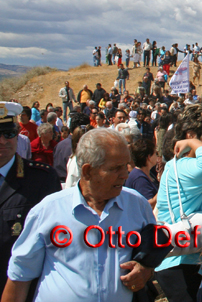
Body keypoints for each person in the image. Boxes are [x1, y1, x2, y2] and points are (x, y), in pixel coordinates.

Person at [4, 128, 154, 302]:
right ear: (88, 171)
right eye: (115, 168)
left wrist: (145, 269)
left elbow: (154, 249)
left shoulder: (137, 204)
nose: (125, 174)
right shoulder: (48, 210)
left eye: (126, 165)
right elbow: (20, 276)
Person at [155, 104, 202, 302]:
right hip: (181, 264)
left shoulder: (198, 170)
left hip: (198, 260)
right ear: (191, 135)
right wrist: (192, 143)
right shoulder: (185, 167)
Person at [0, 102, 61, 299]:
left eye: (8, 133)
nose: (2, 140)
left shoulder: (41, 178)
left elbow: (57, 238)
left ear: (18, 134)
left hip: (23, 290)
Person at [124, 138, 158, 208]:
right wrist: (163, 190)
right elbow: (147, 204)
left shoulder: (147, 173)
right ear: (149, 157)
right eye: (155, 153)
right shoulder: (139, 179)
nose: (157, 156)